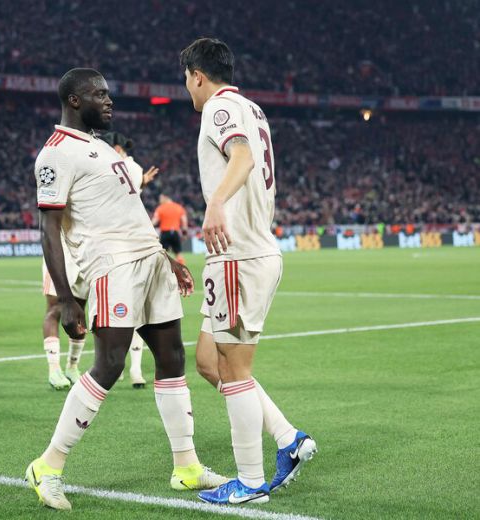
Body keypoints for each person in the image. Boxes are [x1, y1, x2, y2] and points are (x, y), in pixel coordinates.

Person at [25, 68, 227, 511]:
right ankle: (47, 466)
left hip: (150, 262)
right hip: (112, 267)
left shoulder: (100, 146)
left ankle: (187, 466)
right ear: (74, 100)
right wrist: (66, 299)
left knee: (172, 360)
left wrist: (166, 258)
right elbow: (48, 228)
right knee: (110, 364)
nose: (109, 100)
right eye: (99, 94)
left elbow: (130, 212)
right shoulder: (55, 153)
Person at [180, 38, 317, 505]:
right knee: (208, 361)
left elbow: (241, 156)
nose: (187, 88)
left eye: (187, 79)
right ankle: (288, 438)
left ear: (198, 76)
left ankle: (251, 481)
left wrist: (216, 202)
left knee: (235, 370)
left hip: (239, 254)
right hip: (243, 254)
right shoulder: (252, 108)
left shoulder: (218, 108)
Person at [101, 131, 160, 388]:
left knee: (113, 311)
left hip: (111, 246)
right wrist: (143, 182)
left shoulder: (107, 165)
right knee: (136, 310)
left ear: (115, 148)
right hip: (135, 243)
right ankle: (134, 369)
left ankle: (117, 366)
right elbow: (130, 193)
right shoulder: (134, 169)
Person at [40, 240, 88, 390]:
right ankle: (54, 369)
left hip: (85, 251)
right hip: (59, 251)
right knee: (55, 308)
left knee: (79, 310)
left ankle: (72, 366)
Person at [152, 194, 188, 265]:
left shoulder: (160, 208)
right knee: (178, 253)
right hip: (175, 233)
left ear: (165, 197)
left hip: (165, 233)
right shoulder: (179, 207)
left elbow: (154, 221)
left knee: (163, 254)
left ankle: (165, 268)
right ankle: (183, 269)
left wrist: (148, 228)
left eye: (160, 198)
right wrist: (184, 234)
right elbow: (184, 222)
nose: (160, 200)